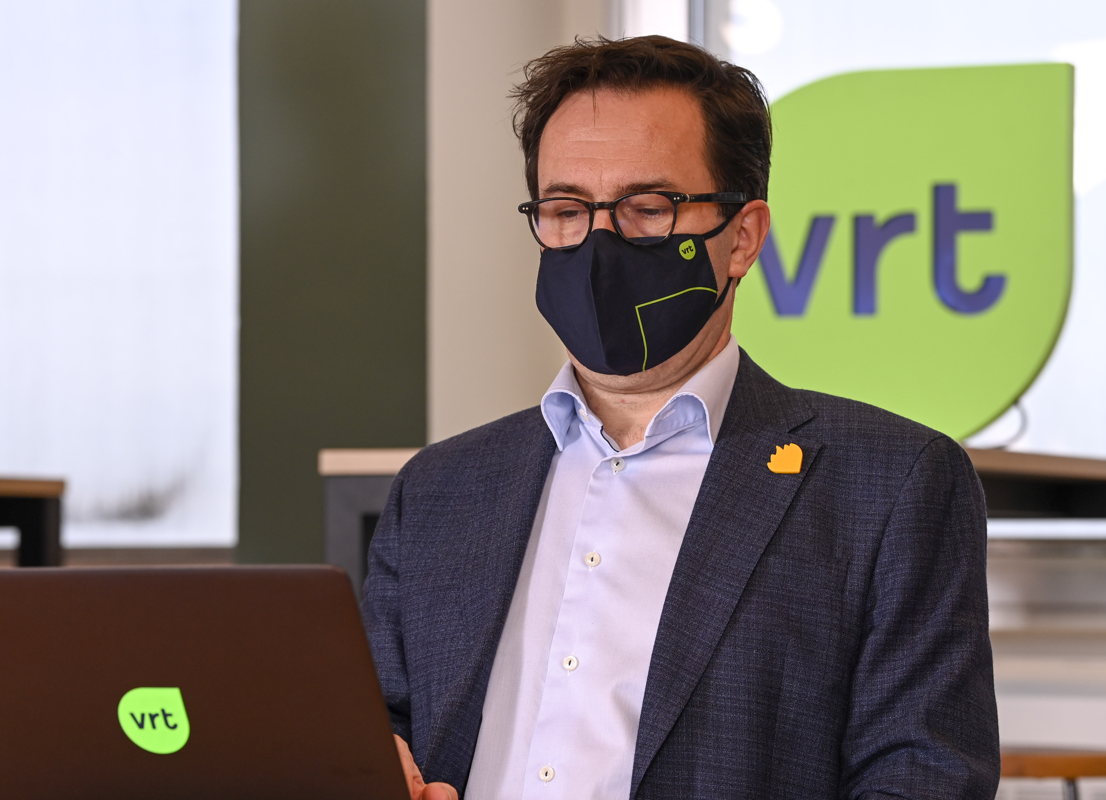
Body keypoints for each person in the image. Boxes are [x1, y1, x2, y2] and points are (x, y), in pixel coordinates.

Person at [362, 35, 999, 800]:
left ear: (743, 237)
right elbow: (373, 726)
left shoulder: (888, 487)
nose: (600, 242)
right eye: (566, 209)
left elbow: (923, 778)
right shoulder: (441, 489)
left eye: (647, 208)